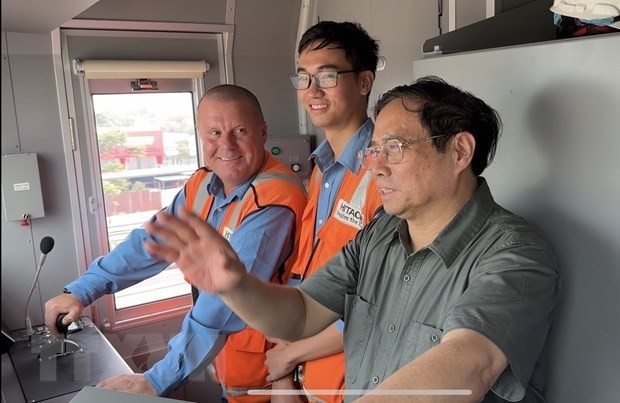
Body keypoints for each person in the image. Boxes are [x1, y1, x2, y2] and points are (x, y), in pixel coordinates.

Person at [143, 76, 561, 403]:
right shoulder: (378, 235)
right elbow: (302, 314)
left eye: (393, 148)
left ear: (459, 152)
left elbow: (471, 364)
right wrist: (236, 285)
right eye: (373, 149)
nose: (374, 166)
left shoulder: (516, 254)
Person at [43, 84, 307, 400]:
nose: (226, 145)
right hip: (228, 365)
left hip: (264, 381)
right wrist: (84, 289)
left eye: (240, 131)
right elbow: (153, 241)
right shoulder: (202, 184)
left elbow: (224, 303)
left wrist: (157, 379)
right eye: (213, 134)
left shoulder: (274, 200)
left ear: (262, 133)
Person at [261, 20, 383, 402]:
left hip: (355, 384)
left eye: (327, 76)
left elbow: (380, 305)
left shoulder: (385, 175)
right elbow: (309, 274)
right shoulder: (320, 171)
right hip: (311, 377)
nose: (311, 91)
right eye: (303, 78)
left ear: (364, 82)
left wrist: (288, 357)